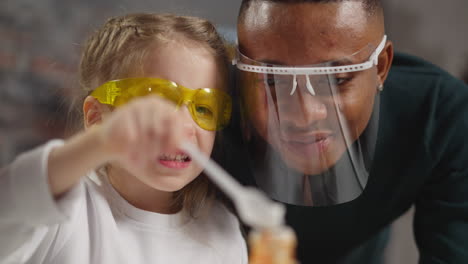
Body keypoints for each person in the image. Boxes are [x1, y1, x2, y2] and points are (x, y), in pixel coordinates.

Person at [223, 0, 468, 263]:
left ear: (381, 67)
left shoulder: (438, 114)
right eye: (271, 78)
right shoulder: (204, 105)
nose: (304, 116)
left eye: (336, 79)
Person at [0, 13, 247, 264]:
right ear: (97, 117)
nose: (183, 128)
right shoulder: (65, 213)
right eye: (157, 103)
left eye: (204, 109)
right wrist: (100, 143)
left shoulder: (222, 229)